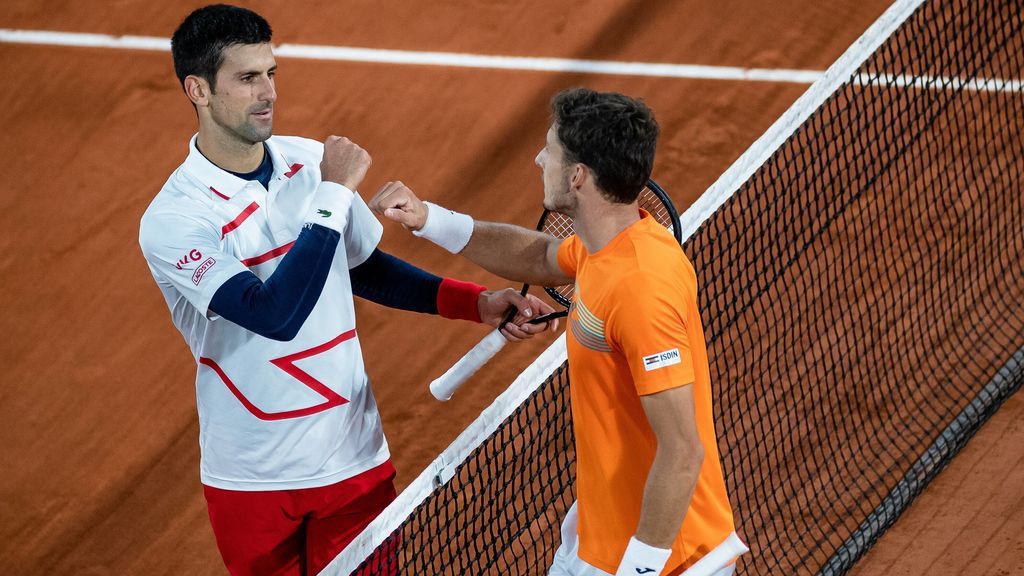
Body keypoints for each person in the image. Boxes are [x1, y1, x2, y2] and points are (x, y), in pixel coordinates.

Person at [137, 5, 554, 575]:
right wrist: (332, 195)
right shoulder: (176, 217)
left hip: (353, 458)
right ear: (198, 90)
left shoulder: (311, 162)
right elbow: (274, 314)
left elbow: (363, 267)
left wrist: (475, 302)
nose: (267, 94)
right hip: (252, 479)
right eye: (246, 77)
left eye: (271, 73)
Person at [370, 88, 749, 576]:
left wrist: (640, 571)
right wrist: (430, 221)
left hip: (665, 557)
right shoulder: (606, 244)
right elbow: (538, 257)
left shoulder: (641, 289)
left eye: (549, 150)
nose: (538, 158)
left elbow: (682, 450)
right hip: (599, 530)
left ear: (577, 176)